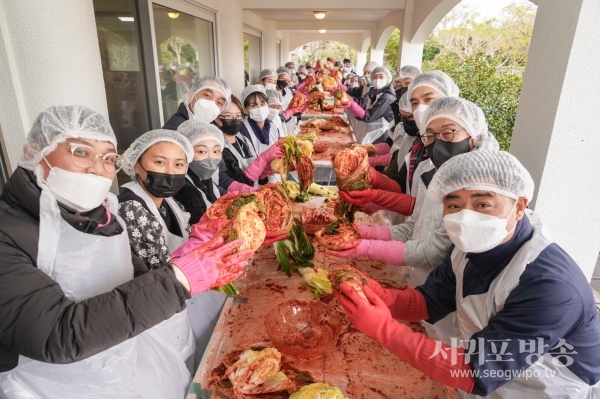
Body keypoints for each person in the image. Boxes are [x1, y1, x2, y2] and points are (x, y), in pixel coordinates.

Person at [0, 105, 252, 397]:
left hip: (129, 367)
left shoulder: (101, 215)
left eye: (108, 158)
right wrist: (179, 278)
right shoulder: (8, 235)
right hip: (54, 388)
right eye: (81, 152)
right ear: (34, 151)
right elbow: (57, 333)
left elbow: (133, 272)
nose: (97, 168)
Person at [335, 150, 600, 398]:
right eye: (454, 206)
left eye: (483, 204)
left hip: (545, 388)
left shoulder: (549, 286)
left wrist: (385, 329)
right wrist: (380, 297)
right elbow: (430, 301)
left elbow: (473, 370)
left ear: (519, 206)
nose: (466, 218)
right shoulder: (469, 248)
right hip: (493, 377)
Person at [330, 97, 499, 343]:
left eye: (449, 133)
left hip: (462, 322)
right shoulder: (432, 172)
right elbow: (416, 225)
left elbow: (432, 252)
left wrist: (364, 245)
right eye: (430, 136)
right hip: (428, 289)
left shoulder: (485, 189)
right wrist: (363, 233)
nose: (437, 142)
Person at [175, 120, 227, 224]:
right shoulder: (184, 187)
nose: (211, 157)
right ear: (186, 152)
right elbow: (201, 225)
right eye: (202, 151)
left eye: (216, 151)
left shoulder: (204, 178)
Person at [339, 66, 396, 145]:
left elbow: (368, 117)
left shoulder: (387, 98)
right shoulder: (374, 92)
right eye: (375, 77)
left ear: (387, 79)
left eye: (381, 76)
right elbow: (363, 107)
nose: (377, 79)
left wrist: (352, 104)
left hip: (379, 134)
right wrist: (351, 105)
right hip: (369, 130)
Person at [163, 75, 232, 130]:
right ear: (192, 94)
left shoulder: (209, 127)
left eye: (219, 102)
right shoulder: (175, 130)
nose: (212, 104)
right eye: (207, 95)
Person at [240, 84, 280, 156]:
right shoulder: (243, 131)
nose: (259, 108)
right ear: (246, 109)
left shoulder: (273, 128)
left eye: (262, 104)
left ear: (267, 104)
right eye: (253, 105)